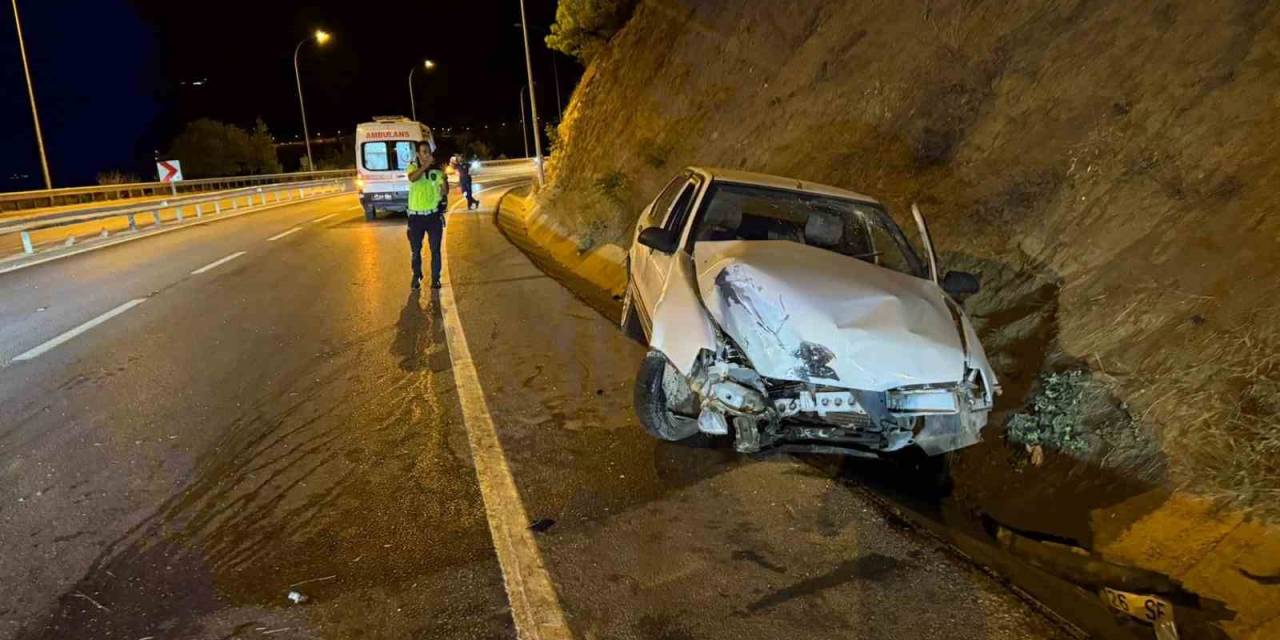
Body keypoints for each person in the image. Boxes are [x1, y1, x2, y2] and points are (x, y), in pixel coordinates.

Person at [406, 142, 449, 289]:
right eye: (424, 152)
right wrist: (425, 166)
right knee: (416, 251)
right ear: (418, 154)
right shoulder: (413, 167)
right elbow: (412, 178)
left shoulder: (435, 172)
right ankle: (417, 276)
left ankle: (435, 279)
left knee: (435, 250)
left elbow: (444, 192)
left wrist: (444, 177)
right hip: (416, 218)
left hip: (433, 217)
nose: (427, 154)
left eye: (428, 151)